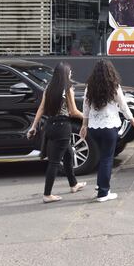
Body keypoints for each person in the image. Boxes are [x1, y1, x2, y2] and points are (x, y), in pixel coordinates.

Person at [80, 60, 134, 202]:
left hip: (94, 128)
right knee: (107, 158)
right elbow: (123, 106)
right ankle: (103, 192)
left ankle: (101, 185)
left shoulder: (90, 87)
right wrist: (132, 120)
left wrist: (84, 125)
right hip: (110, 126)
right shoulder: (114, 86)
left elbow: (85, 107)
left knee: (102, 157)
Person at [26, 63, 86, 204]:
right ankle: (47, 194)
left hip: (50, 125)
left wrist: (33, 127)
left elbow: (41, 109)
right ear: (66, 74)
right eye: (70, 72)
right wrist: (87, 118)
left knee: (69, 154)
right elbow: (73, 111)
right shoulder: (68, 89)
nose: (71, 74)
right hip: (62, 127)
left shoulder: (49, 88)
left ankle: (73, 184)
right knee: (54, 162)